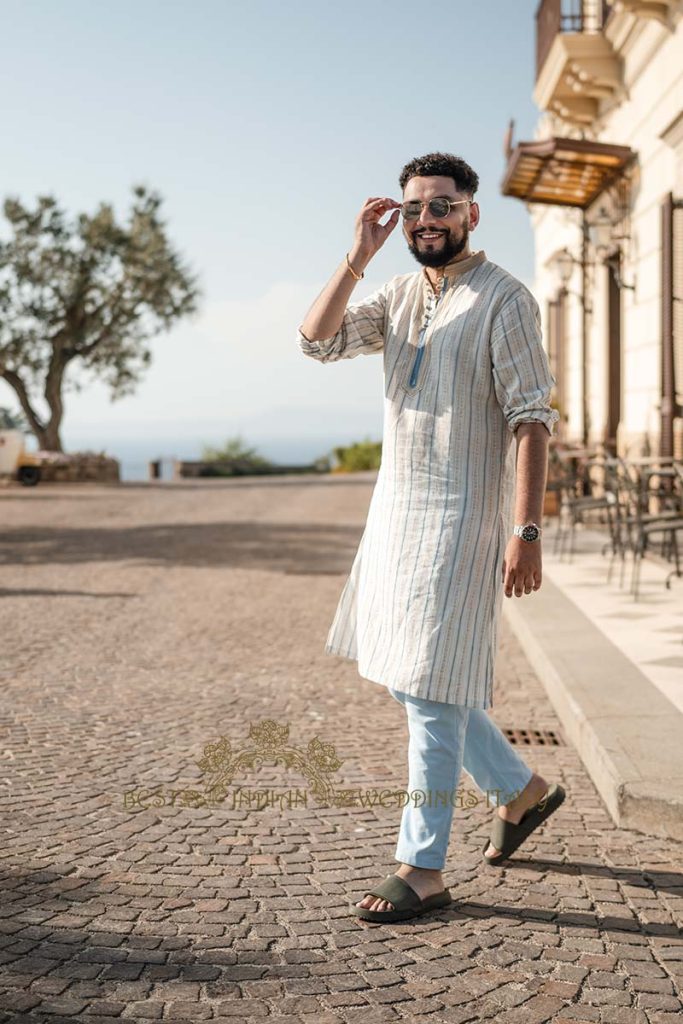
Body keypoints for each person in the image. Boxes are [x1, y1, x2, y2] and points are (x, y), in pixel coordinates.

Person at [297, 152, 566, 924]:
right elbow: (317, 342)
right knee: (417, 680)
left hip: (462, 518)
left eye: (442, 206)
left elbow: (530, 420)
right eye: (415, 208)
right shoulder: (396, 291)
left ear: (471, 214)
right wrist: (356, 257)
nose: (426, 220)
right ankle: (520, 793)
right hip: (397, 514)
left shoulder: (504, 299)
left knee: (428, 691)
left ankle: (420, 867)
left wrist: (526, 529)